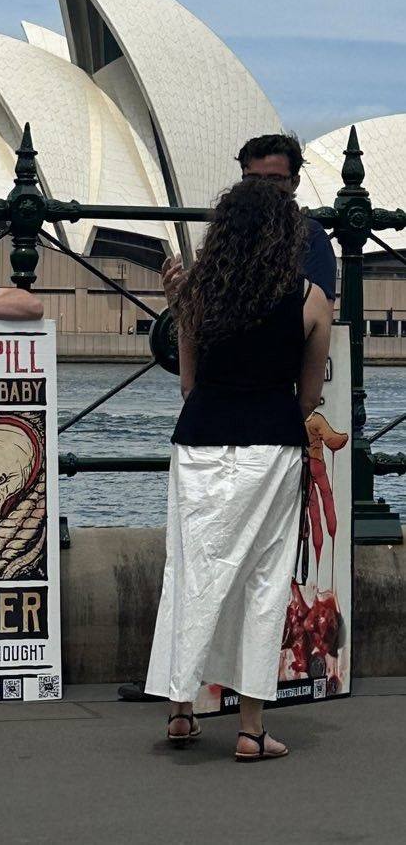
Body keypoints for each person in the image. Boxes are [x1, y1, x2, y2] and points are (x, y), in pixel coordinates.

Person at [144, 178, 333, 761]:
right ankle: (250, 730)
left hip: (200, 437)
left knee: (190, 567)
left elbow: (188, 384)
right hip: (271, 442)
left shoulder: (199, 294)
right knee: (263, 579)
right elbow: (307, 397)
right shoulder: (310, 299)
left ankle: (180, 711)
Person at [161, 134, 337, 312]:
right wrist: (179, 300)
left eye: (274, 179)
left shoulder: (311, 236)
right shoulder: (225, 230)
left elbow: (320, 312)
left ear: (295, 182)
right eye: (253, 179)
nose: (262, 187)